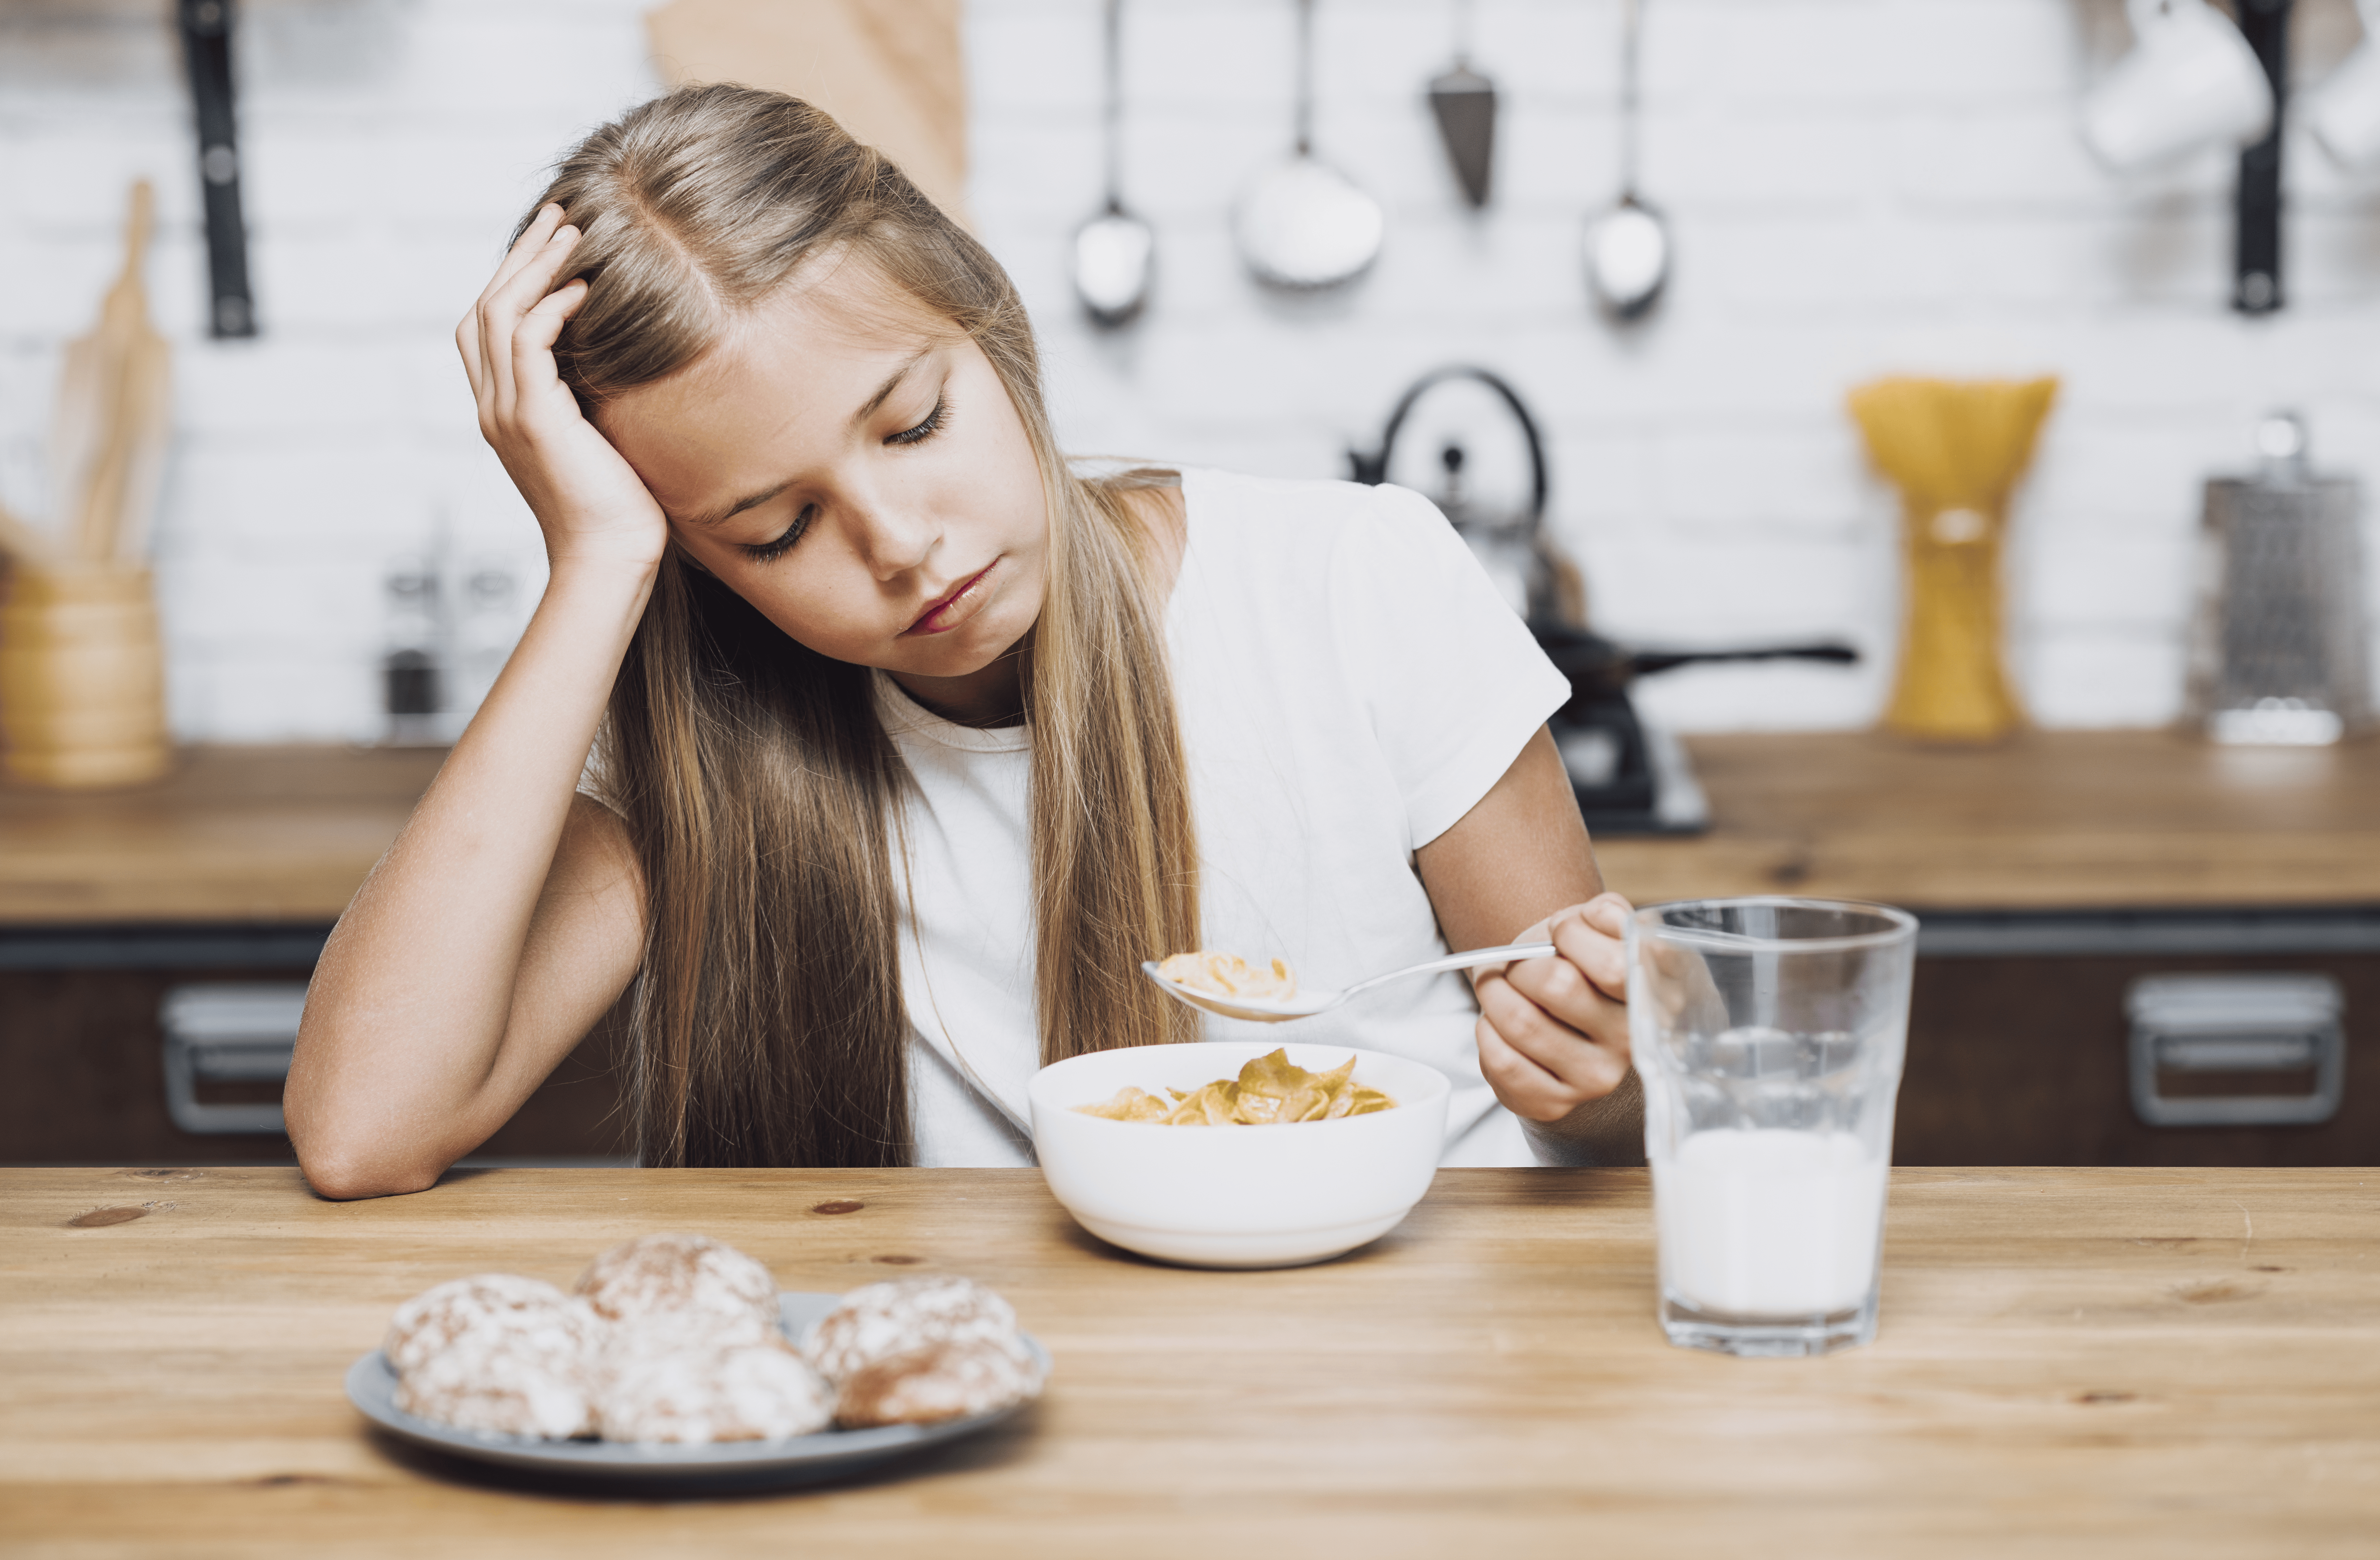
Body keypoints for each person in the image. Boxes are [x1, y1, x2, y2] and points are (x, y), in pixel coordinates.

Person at [284, 85, 1639, 1198]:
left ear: (989, 323)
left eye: (915, 423)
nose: (899, 543)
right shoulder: (700, 748)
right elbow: (364, 1127)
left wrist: (1602, 1075)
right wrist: (594, 565)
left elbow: (1608, 1125)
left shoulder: (1356, 581)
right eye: (770, 531)